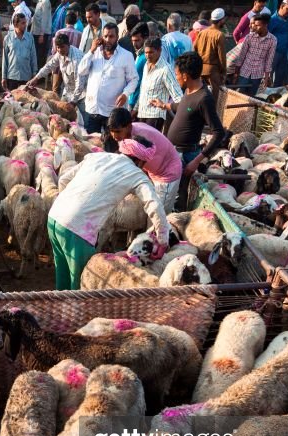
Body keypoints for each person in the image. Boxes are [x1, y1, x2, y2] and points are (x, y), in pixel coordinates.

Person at [46, 149, 169, 289]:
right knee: (82, 281)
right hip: (77, 229)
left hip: (55, 216)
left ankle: (60, 307)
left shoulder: (98, 157)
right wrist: (163, 240)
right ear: (142, 161)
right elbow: (154, 204)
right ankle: (76, 309)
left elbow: (63, 179)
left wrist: (67, 207)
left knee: (62, 272)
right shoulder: (136, 174)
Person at [164, 51, 224, 190]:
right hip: (174, 151)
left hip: (187, 156)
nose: (176, 77)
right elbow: (183, 107)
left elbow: (218, 132)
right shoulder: (189, 91)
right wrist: (165, 105)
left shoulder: (204, 98)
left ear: (185, 76)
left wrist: (197, 161)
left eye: (177, 74)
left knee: (181, 193)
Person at [106, 106, 182, 213]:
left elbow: (138, 165)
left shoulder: (141, 136)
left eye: (117, 131)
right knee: (150, 209)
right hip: (153, 173)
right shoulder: (126, 136)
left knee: (159, 213)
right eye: (112, 131)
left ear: (128, 126)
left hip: (167, 174)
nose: (114, 136)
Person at [77, 23, 134, 133]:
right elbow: (81, 70)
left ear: (117, 37)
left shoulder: (126, 56)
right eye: (105, 36)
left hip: (112, 111)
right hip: (92, 109)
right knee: (92, 143)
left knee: (111, 145)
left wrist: (125, 94)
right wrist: (91, 51)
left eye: (111, 36)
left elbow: (133, 80)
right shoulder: (95, 53)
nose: (108, 39)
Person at [26, 33, 83, 111]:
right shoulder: (59, 54)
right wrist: (36, 78)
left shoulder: (77, 60)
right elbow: (49, 66)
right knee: (60, 113)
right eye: (58, 47)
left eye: (62, 47)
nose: (60, 50)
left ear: (68, 45)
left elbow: (80, 84)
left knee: (79, 120)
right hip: (68, 91)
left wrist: (73, 102)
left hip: (81, 95)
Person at [135, 38, 183, 130]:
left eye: (151, 52)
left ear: (159, 51)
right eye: (146, 53)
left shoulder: (166, 69)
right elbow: (143, 89)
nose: (148, 56)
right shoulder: (146, 65)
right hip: (142, 113)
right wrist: (136, 108)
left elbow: (178, 96)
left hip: (155, 116)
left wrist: (166, 106)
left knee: (151, 144)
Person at [229, 13, 275, 95]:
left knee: (251, 98)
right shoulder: (249, 37)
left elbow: (269, 60)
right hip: (244, 72)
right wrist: (236, 74)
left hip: (257, 75)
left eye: (257, 25)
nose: (254, 27)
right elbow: (241, 56)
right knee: (239, 95)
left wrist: (266, 78)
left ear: (265, 25)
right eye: (254, 24)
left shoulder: (272, 40)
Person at [193, 8, 226, 100]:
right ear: (221, 21)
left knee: (199, 97)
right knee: (216, 98)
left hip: (200, 70)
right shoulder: (219, 35)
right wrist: (223, 72)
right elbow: (222, 57)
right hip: (213, 71)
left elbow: (194, 49)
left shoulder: (202, 33)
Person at [1, 12, 36, 91]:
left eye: (25, 23)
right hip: (12, 76)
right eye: (23, 23)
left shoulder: (30, 38)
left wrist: (34, 74)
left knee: (25, 102)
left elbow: (33, 56)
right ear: (15, 24)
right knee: (12, 101)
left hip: (26, 76)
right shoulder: (8, 38)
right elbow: (5, 59)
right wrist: (3, 77)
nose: (25, 25)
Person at [268, 0, 288, 87]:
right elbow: (267, 36)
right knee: (269, 74)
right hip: (274, 52)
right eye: (287, 9)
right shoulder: (273, 19)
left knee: (280, 76)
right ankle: (264, 94)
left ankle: (276, 93)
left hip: (285, 52)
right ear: (281, 7)